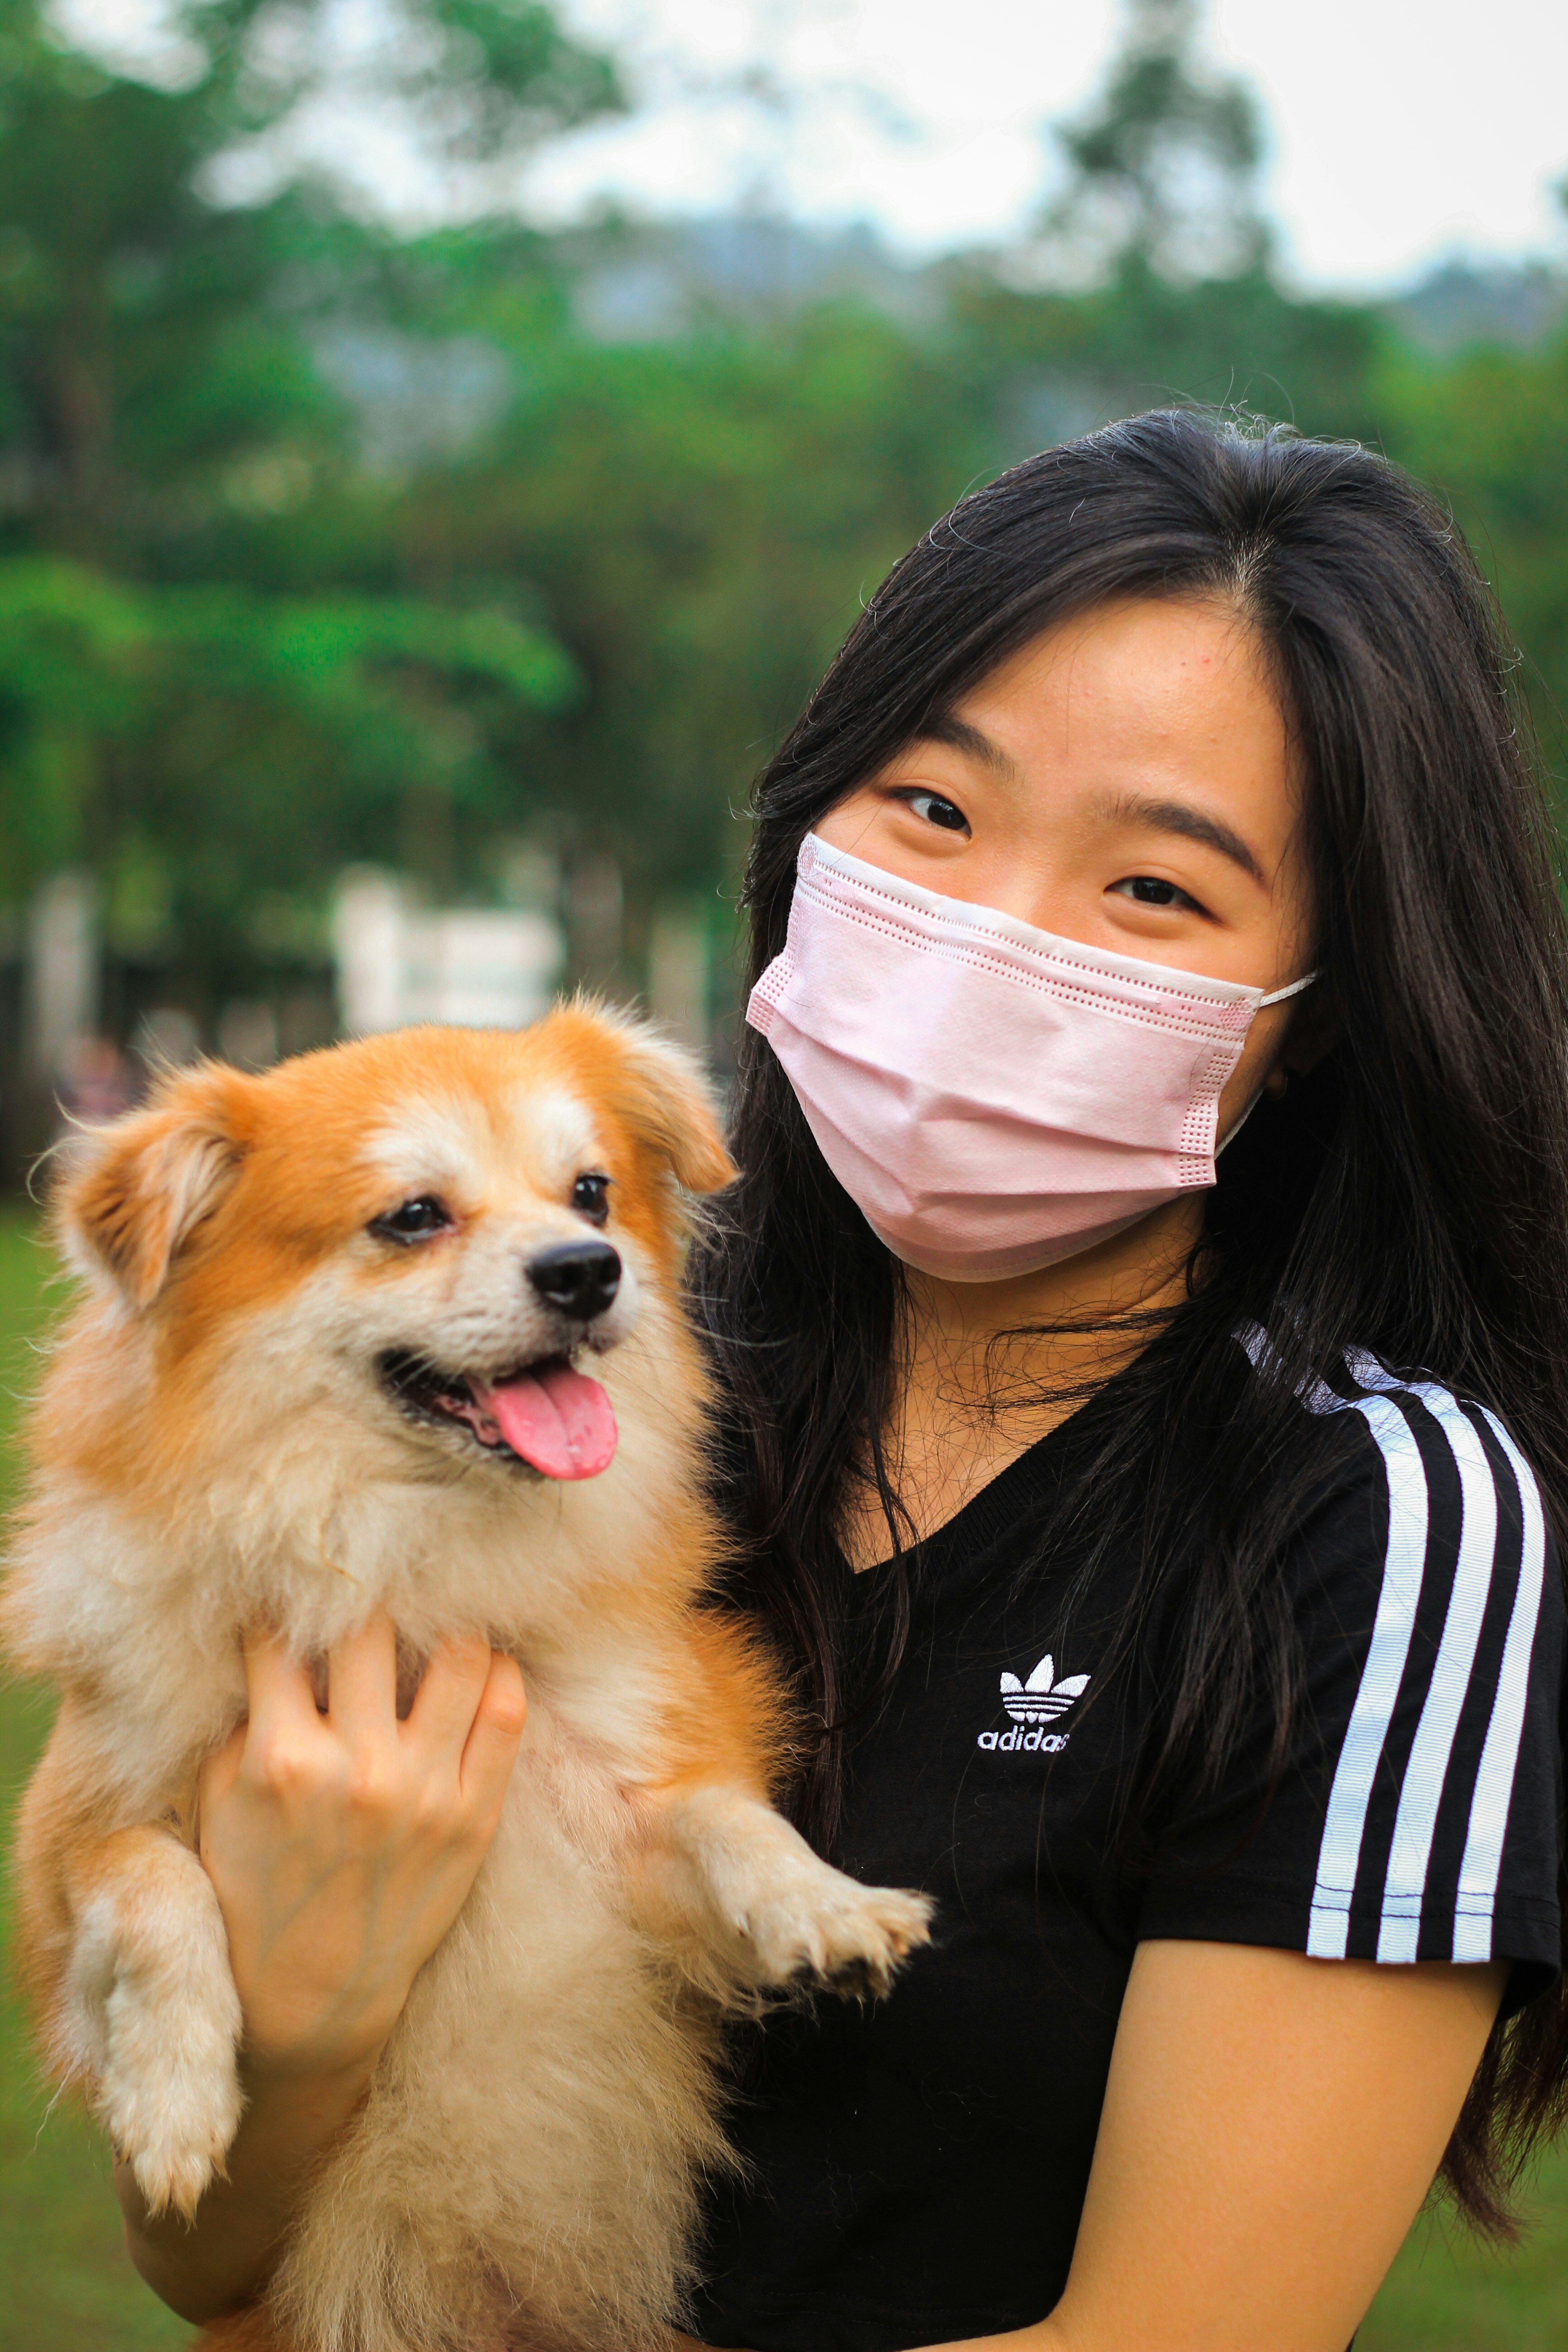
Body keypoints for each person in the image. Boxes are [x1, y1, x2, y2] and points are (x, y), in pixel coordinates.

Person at [120, 414, 1568, 2352]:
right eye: (936, 810)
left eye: (1155, 889)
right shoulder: (567, 1381)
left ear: (1317, 1016)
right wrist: (299, 2026)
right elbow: (205, 2260)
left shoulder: (1376, 1511)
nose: (990, 933)